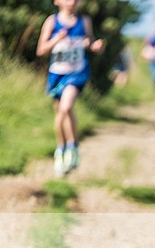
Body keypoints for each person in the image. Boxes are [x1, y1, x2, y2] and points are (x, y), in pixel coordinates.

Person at [36, 0, 104, 178]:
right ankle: (61, 149)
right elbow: (41, 50)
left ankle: (72, 147)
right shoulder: (52, 21)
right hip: (57, 74)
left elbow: (89, 40)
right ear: (57, 1)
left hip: (77, 73)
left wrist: (93, 45)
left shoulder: (84, 21)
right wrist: (56, 39)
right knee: (60, 113)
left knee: (66, 107)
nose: (71, 2)